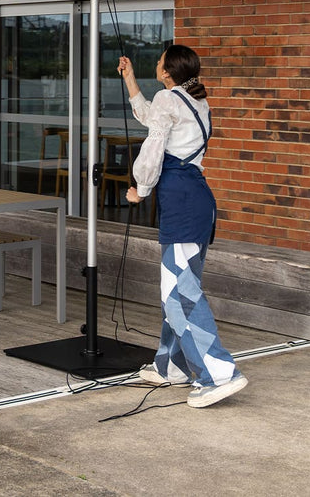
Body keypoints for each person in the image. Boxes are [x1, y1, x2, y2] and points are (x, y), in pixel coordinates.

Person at [117, 45, 247, 408]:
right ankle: (172, 367)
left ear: (166, 72)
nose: (156, 66)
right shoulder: (194, 103)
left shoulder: (168, 100)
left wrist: (139, 190)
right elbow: (153, 120)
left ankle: (219, 373)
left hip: (182, 204)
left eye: (158, 63)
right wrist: (130, 80)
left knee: (179, 295)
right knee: (179, 287)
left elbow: (154, 146)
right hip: (199, 202)